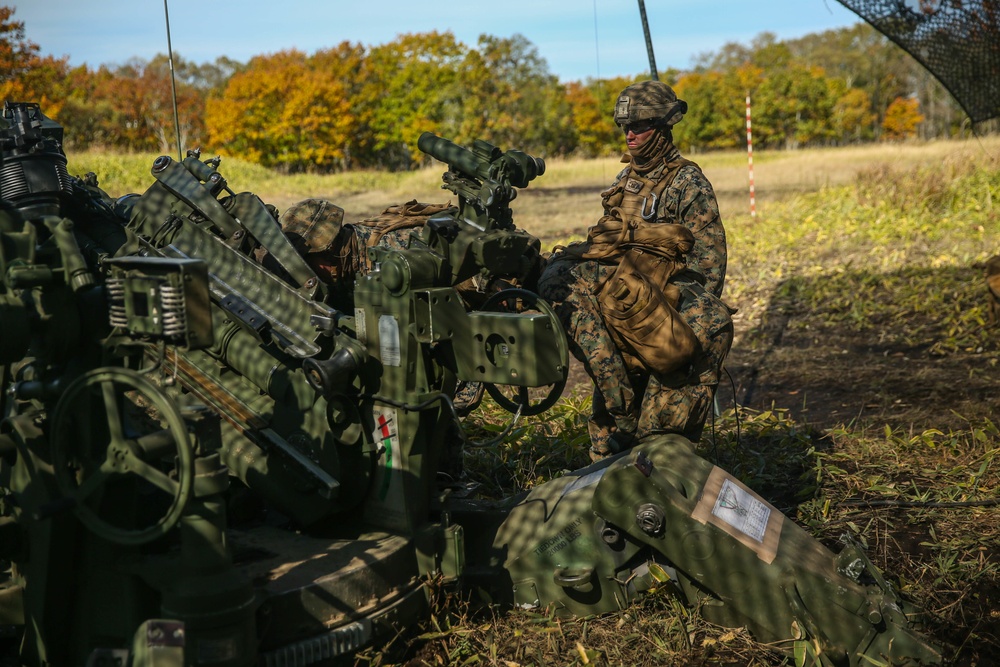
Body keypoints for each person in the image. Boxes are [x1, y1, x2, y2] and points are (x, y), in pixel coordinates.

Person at [537, 80, 733, 460]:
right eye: (624, 127)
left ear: (663, 126)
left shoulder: (687, 182)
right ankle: (614, 433)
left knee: (659, 443)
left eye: (639, 126)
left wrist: (657, 320)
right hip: (621, 312)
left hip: (659, 320)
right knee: (609, 440)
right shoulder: (625, 181)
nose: (629, 135)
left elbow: (709, 271)